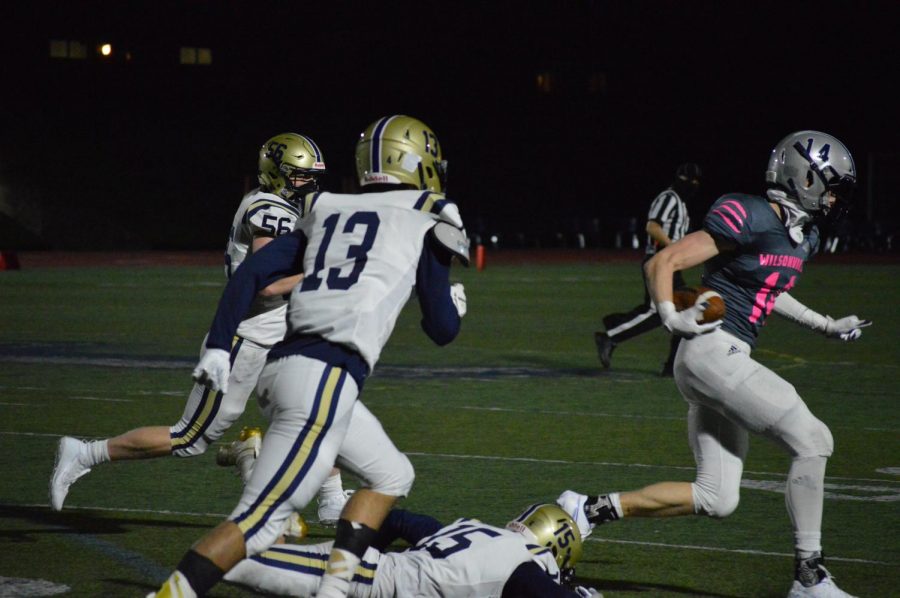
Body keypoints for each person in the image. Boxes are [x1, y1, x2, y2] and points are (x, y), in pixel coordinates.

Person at [147, 115, 469, 598]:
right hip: (324, 377)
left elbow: (249, 275)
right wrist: (456, 305)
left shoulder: (328, 206)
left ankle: (334, 591)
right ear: (417, 162)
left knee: (391, 473)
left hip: (284, 368)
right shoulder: (430, 213)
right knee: (258, 521)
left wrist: (217, 345)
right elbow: (441, 329)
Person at [560, 131, 870, 598]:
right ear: (803, 176)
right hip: (710, 351)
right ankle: (809, 578)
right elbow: (661, 262)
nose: (832, 198)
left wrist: (825, 325)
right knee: (814, 440)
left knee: (717, 498)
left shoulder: (801, 238)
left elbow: (772, 289)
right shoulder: (750, 213)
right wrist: (670, 317)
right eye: (829, 186)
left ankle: (587, 509)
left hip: (721, 358)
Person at [49, 132, 349, 528]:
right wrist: (323, 274)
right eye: (298, 175)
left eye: (310, 175)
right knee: (189, 438)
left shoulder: (277, 204)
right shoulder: (269, 209)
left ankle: (330, 499)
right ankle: (85, 454)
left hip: (275, 335)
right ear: (276, 174)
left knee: (315, 406)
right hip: (248, 338)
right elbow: (267, 283)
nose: (307, 182)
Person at [221, 503, 601, 597]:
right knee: (225, 564)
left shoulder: (481, 530)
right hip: (370, 580)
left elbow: (399, 519)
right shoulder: (522, 568)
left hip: (371, 569)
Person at [594, 162, 701, 376]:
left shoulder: (680, 204)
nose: (692, 186)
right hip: (660, 261)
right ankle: (611, 335)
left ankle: (672, 366)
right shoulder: (668, 198)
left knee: (687, 311)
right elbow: (652, 227)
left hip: (670, 264)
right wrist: (674, 248)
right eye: (690, 181)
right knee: (658, 312)